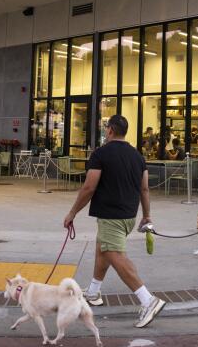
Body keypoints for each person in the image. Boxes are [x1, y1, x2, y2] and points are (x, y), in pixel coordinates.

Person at [63, 114, 166, 328]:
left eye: (106, 128)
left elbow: (89, 187)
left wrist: (72, 213)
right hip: (129, 216)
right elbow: (144, 189)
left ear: (109, 130)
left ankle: (148, 300)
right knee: (102, 249)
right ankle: (93, 292)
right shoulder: (138, 156)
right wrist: (147, 216)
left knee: (115, 255)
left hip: (111, 216)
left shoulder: (101, 154)